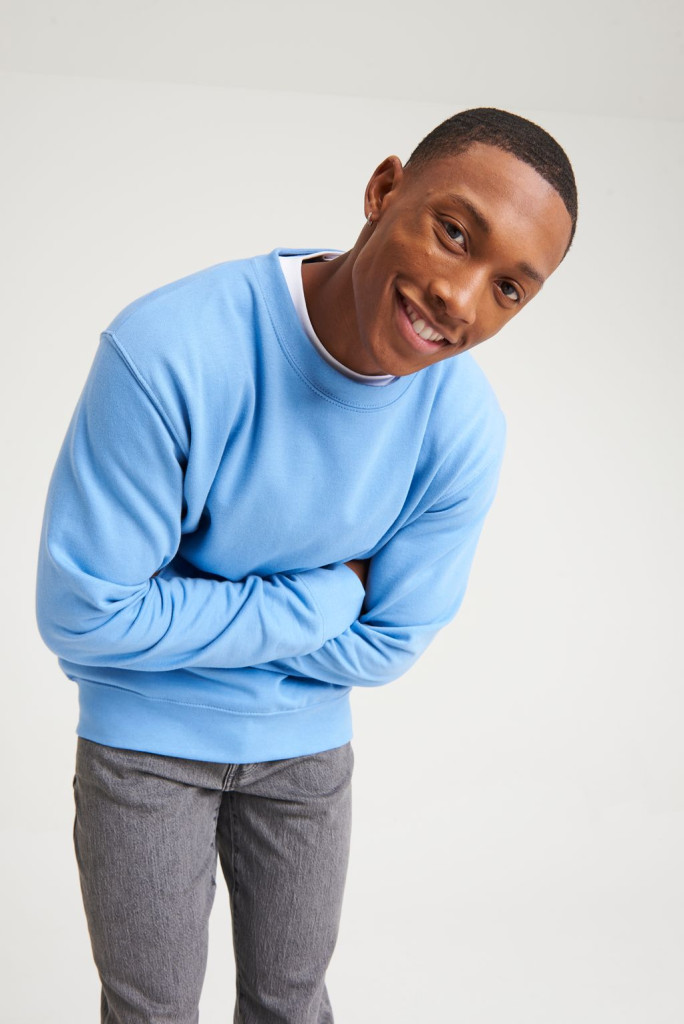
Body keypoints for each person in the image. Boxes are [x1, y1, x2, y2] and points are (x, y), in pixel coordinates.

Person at [35, 107, 577, 1023]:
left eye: (509, 289)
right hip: (141, 750)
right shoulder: (170, 349)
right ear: (384, 189)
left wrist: (176, 611)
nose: (461, 298)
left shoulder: (462, 427)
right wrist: (330, 593)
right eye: (455, 232)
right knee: (150, 1013)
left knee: (292, 1007)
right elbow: (85, 614)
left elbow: (389, 644)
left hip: (305, 757)